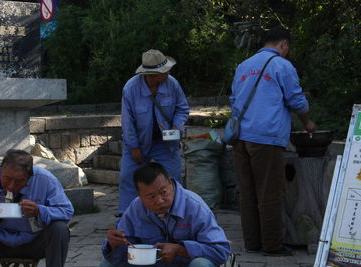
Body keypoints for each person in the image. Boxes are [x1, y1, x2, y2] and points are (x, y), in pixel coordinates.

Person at [229, 26, 316, 256]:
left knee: (247, 193)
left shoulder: (243, 66)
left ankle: (252, 243)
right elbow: (297, 101)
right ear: (283, 45)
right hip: (266, 139)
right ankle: (272, 245)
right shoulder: (282, 66)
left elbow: (234, 99)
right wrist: (307, 122)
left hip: (240, 138)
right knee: (269, 193)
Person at [100, 162, 230, 267]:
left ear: (170, 184)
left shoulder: (195, 207)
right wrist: (113, 245)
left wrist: (181, 250)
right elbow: (125, 254)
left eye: (163, 192)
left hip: (185, 264)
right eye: (151, 196)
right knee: (107, 264)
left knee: (200, 264)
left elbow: (221, 251)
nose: (159, 201)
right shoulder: (135, 208)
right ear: (140, 197)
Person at [0, 149, 74, 267]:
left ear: (30, 177)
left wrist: (39, 211)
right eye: (7, 179)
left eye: (19, 181)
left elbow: (66, 210)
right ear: (1, 170)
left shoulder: (45, 179)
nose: (11, 186)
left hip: (34, 243)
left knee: (59, 228)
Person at [118, 49, 189, 215]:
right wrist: (134, 147)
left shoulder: (173, 84)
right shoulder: (131, 88)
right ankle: (126, 219)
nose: (169, 73)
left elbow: (182, 108)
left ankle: (177, 216)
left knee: (173, 180)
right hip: (138, 144)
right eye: (165, 71)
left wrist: (177, 126)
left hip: (166, 144)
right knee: (128, 179)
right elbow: (127, 122)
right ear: (152, 75)